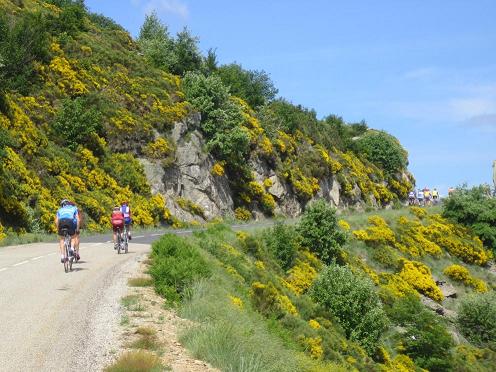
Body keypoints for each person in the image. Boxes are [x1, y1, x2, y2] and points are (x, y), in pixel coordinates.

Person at [55, 199, 80, 263]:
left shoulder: (59, 210)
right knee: (73, 237)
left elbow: (56, 221)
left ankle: (63, 256)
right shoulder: (74, 208)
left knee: (61, 239)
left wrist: (58, 229)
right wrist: (77, 229)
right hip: (70, 222)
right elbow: (78, 219)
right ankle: (72, 248)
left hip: (61, 222)